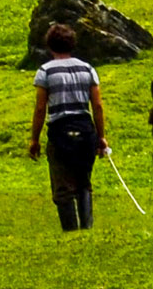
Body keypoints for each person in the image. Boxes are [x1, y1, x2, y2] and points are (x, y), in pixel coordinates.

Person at [28, 22, 107, 232]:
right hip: (85, 130)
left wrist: (34, 139)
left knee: (63, 186)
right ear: (72, 43)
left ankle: (71, 231)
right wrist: (101, 136)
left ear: (49, 45)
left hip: (60, 132)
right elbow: (97, 105)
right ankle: (87, 228)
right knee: (83, 182)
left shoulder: (45, 71)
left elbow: (40, 108)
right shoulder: (87, 69)